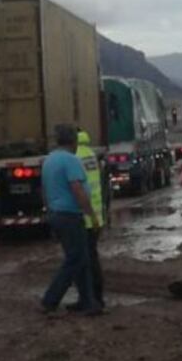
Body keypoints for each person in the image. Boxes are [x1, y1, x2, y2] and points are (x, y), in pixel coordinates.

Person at [41, 124, 102, 316]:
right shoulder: (71, 160)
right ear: (73, 141)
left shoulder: (49, 160)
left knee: (80, 259)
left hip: (56, 214)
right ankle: (50, 300)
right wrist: (91, 215)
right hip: (70, 215)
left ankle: (87, 302)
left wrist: (49, 210)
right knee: (75, 259)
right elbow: (77, 189)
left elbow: (44, 189)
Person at [76, 129, 106, 306]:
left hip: (85, 215)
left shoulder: (75, 156)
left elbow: (77, 187)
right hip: (96, 214)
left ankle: (91, 298)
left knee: (85, 260)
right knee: (92, 257)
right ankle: (95, 296)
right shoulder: (90, 154)